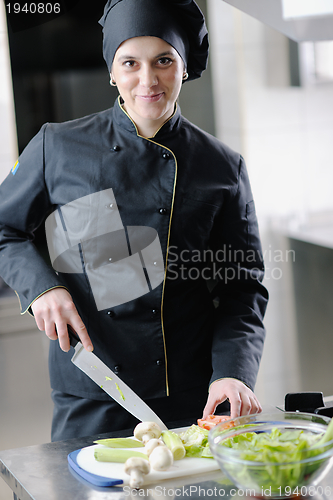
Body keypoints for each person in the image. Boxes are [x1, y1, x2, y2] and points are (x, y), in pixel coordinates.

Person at [0, 0, 268, 441]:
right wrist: (42, 287)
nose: (148, 80)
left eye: (164, 60)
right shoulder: (58, 147)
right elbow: (6, 229)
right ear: (111, 71)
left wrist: (234, 372)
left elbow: (243, 287)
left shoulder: (221, 166)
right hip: (93, 390)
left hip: (193, 395)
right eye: (130, 63)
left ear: (183, 67)